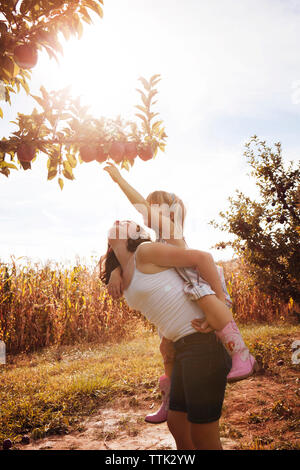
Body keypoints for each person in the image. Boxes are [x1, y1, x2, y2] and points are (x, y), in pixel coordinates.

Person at [103, 163, 257, 424]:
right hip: (185, 301)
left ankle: (240, 355)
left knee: (215, 317)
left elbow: (140, 205)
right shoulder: (156, 241)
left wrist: (119, 179)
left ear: (168, 213)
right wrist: (116, 271)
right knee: (166, 349)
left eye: (154, 208)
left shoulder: (170, 232)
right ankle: (170, 397)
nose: (146, 213)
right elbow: (133, 258)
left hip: (200, 286)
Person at [101, 220, 232, 450]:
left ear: (135, 234)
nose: (119, 221)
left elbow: (203, 258)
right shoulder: (124, 270)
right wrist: (115, 271)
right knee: (177, 424)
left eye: (127, 222)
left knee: (202, 435)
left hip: (203, 345)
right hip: (181, 349)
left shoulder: (146, 251)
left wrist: (221, 302)